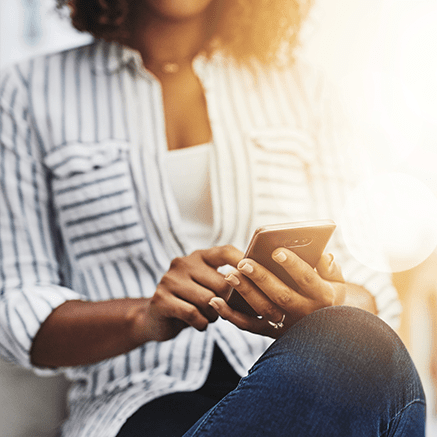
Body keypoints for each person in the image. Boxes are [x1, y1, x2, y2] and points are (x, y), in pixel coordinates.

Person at [0, 0, 425, 436]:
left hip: (302, 390)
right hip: (136, 406)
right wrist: (142, 315)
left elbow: (373, 294)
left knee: (361, 340)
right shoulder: (30, 91)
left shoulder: (304, 89)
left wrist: (322, 307)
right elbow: (18, 309)